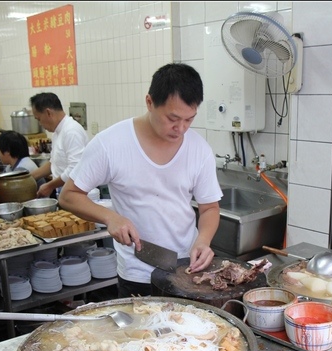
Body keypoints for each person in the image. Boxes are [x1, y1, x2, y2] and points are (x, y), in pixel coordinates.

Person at [58, 63, 222, 297]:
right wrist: (110, 217)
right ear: (149, 102)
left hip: (187, 271)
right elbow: (69, 196)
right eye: (173, 118)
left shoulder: (199, 149)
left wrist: (203, 241)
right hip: (138, 273)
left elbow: (209, 208)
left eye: (189, 119)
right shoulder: (110, 144)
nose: (181, 128)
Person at [29, 92, 88, 198]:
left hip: (74, 193)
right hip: (62, 190)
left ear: (48, 113)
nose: (40, 124)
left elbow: (76, 169)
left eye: (39, 119)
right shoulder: (57, 132)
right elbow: (54, 163)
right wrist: (29, 177)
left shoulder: (71, 131)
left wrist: (49, 186)